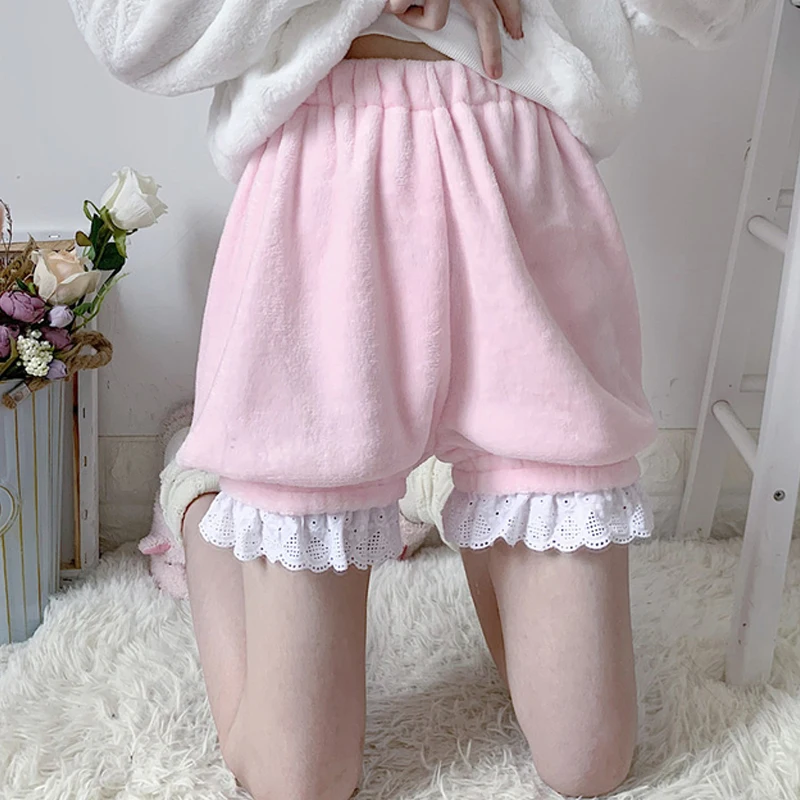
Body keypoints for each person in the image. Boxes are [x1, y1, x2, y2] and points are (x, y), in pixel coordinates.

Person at [68, 0, 766, 797]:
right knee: (301, 782)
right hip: (322, 200)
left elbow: (715, 14)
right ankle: (197, 499)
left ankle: (454, 489)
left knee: (589, 761)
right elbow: (128, 31)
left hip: (524, 190)